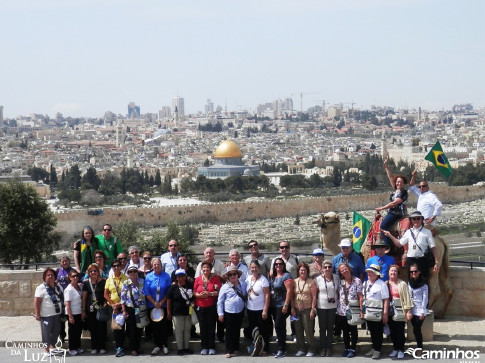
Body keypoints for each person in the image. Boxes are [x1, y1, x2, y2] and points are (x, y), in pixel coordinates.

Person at [383, 210, 439, 281]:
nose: (416, 220)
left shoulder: (427, 232)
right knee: (411, 280)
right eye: (414, 218)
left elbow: (433, 247)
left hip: (422, 259)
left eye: (418, 218)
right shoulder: (408, 232)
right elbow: (399, 244)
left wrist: (436, 262)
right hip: (411, 260)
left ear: (421, 220)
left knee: (424, 280)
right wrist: (390, 235)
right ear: (411, 220)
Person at [376, 156, 408, 247]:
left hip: (396, 213)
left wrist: (381, 208)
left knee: (382, 227)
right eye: (398, 182)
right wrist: (386, 166)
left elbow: (394, 203)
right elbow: (390, 176)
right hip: (391, 212)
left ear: (403, 184)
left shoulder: (403, 193)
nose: (399, 183)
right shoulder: (395, 190)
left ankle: (388, 246)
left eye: (401, 182)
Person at [217, 265, 247, 358]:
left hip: (240, 311)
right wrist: (220, 314)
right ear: (228, 277)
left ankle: (236, 348)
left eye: (234, 274)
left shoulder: (243, 284)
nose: (233, 276)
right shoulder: (225, 287)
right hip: (229, 312)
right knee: (229, 332)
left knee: (237, 330)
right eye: (230, 275)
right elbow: (220, 301)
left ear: (238, 275)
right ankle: (229, 350)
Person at [144, 257, 172, 356]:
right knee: (154, 327)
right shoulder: (148, 277)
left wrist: (161, 302)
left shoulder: (166, 276)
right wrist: (154, 302)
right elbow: (146, 291)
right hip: (152, 306)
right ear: (152, 266)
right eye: (155, 264)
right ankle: (156, 345)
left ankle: (164, 345)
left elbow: (169, 291)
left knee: (163, 327)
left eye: (158, 264)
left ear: (161, 265)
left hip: (163, 305)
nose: (156, 266)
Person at [194, 259, 221, 355]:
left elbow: (219, 292)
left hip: (211, 307)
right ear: (201, 269)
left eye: (207, 267)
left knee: (211, 327)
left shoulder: (215, 279)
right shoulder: (197, 279)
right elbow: (194, 292)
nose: (206, 269)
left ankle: (211, 347)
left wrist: (209, 293)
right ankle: (204, 347)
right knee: (203, 327)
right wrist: (198, 295)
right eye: (204, 267)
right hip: (200, 307)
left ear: (210, 269)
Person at [336, 263, 363, 358]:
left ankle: (353, 349)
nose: (344, 271)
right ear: (340, 273)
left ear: (349, 269)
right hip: (342, 310)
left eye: (345, 269)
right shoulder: (341, 282)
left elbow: (360, 296)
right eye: (342, 270)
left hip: (353, 310)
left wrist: (361, 310)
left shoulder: (357, 281)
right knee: (345, 331)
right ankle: (347, 348)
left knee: (353, 330)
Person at [34, 268, 64, 355]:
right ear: (44, 277)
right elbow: (37, 302)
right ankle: (46, 349)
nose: (50, 276)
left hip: (57, 314)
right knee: (46, 333)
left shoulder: (58, 286)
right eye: (48, 275)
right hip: (46, 315)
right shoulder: (40, 288)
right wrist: (37, 314)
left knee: (56, 332)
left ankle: (52, 347)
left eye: (52, 275)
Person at [363, 264, 389, 360]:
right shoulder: (365, 283)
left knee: (378, 332)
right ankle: (374, 348)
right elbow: (363, 298)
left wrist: (385, 313)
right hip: (369, 311)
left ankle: (377, 350)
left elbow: (386, 300)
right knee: (372, 331)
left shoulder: (382, 284)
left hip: (378, 312)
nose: (369, 274)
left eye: (371, 272)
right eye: (368, 272)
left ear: (376, 274)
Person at [291, 262, 318, 357]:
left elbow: (314, 297)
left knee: (308, 330)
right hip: (297, 308)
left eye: (304, 270)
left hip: (307, 309)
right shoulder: (294, 281)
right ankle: (301, 348)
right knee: (298, 329)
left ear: (307, 271)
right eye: (301, 270)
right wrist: (292, 308)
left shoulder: (311, 282)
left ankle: (311, 348)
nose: (303, 272)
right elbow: (291, 295)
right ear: (298, 271)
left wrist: (312, 309)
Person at [387, 265, 413, 359]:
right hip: (390, 311)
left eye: (395, 271)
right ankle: (395, 349)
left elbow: (407, 298)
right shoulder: (385, 284)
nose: (393, 273)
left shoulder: (402, 284)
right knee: (392, 331)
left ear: (398, 273)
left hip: (400, 310)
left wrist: (408, 311)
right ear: (388, 272)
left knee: (400, 331)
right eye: (391, 271)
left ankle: (401, 349)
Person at [270, 257, 294, 359]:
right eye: (276, 264)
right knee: (279, 327)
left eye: (280, 264)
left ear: (283, 265)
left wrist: (286, 305)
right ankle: (280, 347)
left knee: (279, 326)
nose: (278, 266)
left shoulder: (286, 276)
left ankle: (282, 349)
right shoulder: (274, 276)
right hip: (274, 305)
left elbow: (289, 291)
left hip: (282, 305)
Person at [245, 260, 270, 356]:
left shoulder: (263, 280)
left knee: (263, 330)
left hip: (260, 309)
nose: (254, 269)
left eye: (255, 267)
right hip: (250, 309)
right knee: (254, 330)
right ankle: (256, 347)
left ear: (259, 268)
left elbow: (267, 295)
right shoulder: (249, 279)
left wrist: (265, 310)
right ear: (250, 269)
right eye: (252, 267)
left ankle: (265, 349)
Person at [104, 258, 128, 357]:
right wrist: (113, 304)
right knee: (117, 329)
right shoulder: (109, 280)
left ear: (121, 266)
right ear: (112, 268)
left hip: (124, 306)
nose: (116, 267)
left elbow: (128, 293)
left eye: (118, 265)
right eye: (114, 266)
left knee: (126, 328)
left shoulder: (126, 278)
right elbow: (105, 294)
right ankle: (119, 348)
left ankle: (127, 346)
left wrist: (120, 304)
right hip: (113, 308)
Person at [166, 269, 194, 356]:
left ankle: (186, 347)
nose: (181, 278)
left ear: (185, 276)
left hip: (188, 312)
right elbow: (168, 301)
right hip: (177, 313)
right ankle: (180, 348)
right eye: (179, 276)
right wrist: (169, 313)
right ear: (176, 278)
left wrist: (193, 303)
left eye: (182, 275)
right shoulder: (172, 287)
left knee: (187, 330)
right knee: (178, 331)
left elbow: (193, 297)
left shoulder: (190, 285)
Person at [120, 265, 146, 356]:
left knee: (140, 328)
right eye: (130, 272)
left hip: (141, 308)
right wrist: (124, 310)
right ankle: (132, 349)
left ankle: (137, 347)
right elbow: (123, 298)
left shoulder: (142, 281)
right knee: (131, 329)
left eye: (134, 271)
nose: (132, 273)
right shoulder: (126, 283)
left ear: (137, 272)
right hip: (130, 309)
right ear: (128, 273)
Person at [315, 260, 339, 357]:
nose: (327, 269)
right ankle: (322, 347)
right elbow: (315, 293)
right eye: (325, 267)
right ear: (322, 269)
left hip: (333, 306)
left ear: (332, 268)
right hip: (322, 306)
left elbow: (338, 291)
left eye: (329, 267)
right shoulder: (317, 279)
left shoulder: (336, 278)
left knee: (330, 328)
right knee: (322, 328)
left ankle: (328, 347)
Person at [82, 263, 108, 355]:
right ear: (88, 273)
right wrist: (83, 310)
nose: (93, 272)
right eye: (91, 271)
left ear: (98, 272)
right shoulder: (86, 283)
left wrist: (105, 303)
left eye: (95, 270)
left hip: (101, 308)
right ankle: (94, 347)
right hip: (90, 309)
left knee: (102, 328)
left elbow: (106, 295)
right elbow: (84, 298)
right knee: (93, 329)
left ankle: (102, 347)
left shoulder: (104, 281)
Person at [407, 264, 429, 357]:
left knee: (416, 329)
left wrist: (422, 312)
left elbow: (425, 299)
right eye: (411, 272)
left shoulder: (424, 284)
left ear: (419, 272)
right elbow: (408, 297)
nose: (413, 273)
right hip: (412, 309)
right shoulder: (409, 283)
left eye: (415, 271)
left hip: (420, 309)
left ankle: (420, 348)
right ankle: (419, 346)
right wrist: (408, 311)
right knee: (415, 329)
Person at [64, 270, 84, 356]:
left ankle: (78, 346)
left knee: (78, 330)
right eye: (73, 276)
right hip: (72, 313)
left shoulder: (78, 286)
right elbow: (67, 304)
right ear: (69, 277)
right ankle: (72, 348)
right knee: (72, 331)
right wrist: (70, 316)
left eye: (76, 276)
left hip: (78, 312)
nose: (75, 278)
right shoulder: (69, 289)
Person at [56, 256, 74, 343]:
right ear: (60, 263)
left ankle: (72, 338)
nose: (64, 263)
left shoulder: (73, 271)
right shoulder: (57, 271)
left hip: (70, 298)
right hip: (60, 298)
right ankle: (62, 336)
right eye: (63, 262)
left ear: (69, 262)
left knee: (70, 318)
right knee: (61, 320)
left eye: (66, 261)